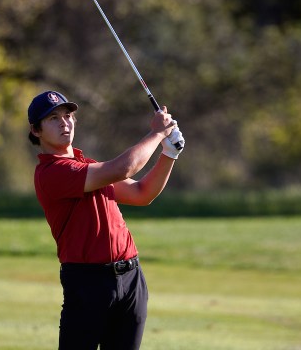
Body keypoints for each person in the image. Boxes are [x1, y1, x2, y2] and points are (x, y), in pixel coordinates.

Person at [27, 90, 184, 350]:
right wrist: (157, 134)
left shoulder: (88, 166)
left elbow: (141, 193)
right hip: (88, 283)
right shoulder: (52, 173)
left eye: (67, 116)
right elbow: (124, 168)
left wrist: (169, 154)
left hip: (131, 277)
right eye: (53, 118)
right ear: (36, 130)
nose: (64, 122)